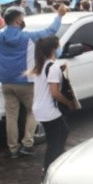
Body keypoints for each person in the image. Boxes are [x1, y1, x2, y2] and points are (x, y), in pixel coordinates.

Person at [0, 3, 68, 158]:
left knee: (11, 116)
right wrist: (59, 15)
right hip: (25, 82)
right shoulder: (28, 37)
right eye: (21, 18)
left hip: (6, 81)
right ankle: (27, 144)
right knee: (32, 112)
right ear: (17, 20)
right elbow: (51, 31)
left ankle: (12, 148)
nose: (23, 20)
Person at [30, 36, 74, 174]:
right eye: (58, 46)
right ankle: (48, 170)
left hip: (41, 108)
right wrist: (69, 103)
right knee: (55, 143)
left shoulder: (41, 65)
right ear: (53, 49)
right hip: (49, 110)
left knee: (61, 134)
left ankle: (55, 164)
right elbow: (54, 93)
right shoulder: (52, 67)